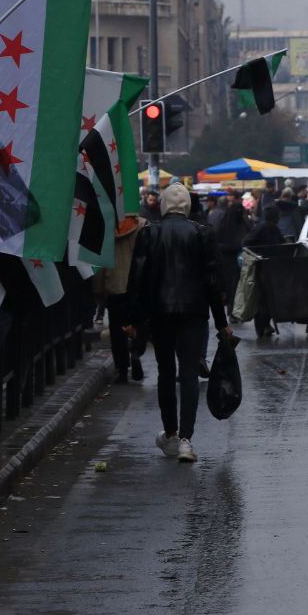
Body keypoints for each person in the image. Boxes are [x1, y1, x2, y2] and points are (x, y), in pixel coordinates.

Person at [125, 182, 232, 463]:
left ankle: (170, 433)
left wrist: (132, 318)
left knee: (164, 372)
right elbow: (212, 283)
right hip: (194, 314)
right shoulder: (202, 234)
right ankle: (187, 439)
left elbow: (137, 278)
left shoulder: (148, 234)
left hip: (160, 314)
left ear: (162, 205)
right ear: (186, 206)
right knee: (188, 374)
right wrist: (221, 323)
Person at [243, 206, 286, 338]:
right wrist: (257, 254)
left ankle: (266, 325)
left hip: (271, 268)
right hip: (264, 268)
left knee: (267, 299)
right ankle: (263, 325)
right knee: (265, 299)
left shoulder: (272, 228)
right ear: (275, 217)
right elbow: (246, 242)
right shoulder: (263, 228)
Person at [214, 199, 250, 314]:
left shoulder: (229, 222)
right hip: (230, 260)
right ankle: (232, 309)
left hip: (235, 260)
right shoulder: (232, 223)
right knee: (233, 286)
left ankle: (235, 309)